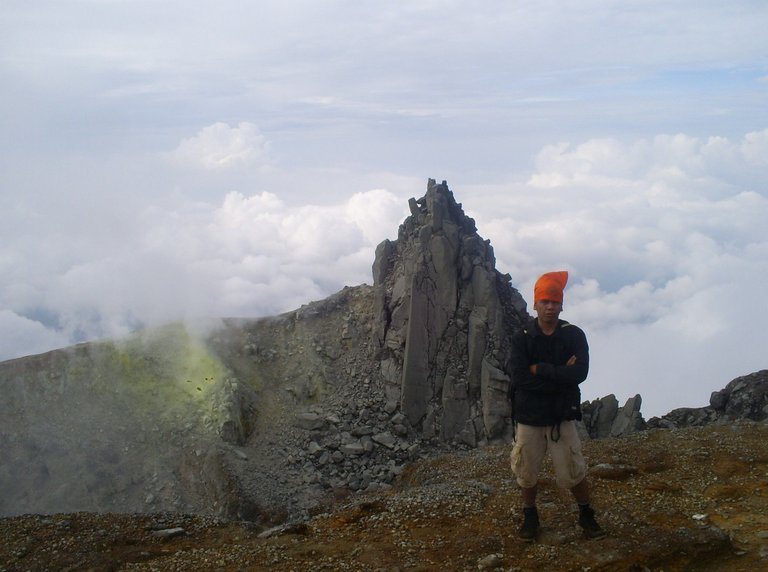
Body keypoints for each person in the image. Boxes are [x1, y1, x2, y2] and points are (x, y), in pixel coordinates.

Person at [508, 271, 605, 541]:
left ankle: (586, 514)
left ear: (562, 305)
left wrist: (541, 369)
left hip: (561, 416)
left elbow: (581, 373)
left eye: (555, 302)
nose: (550, 307)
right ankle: (530, 516)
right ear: (535, 304)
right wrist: (561, 376)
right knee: (526, 472)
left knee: (573, 471)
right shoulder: (523, 337)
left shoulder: (573, 335)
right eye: (545, 301)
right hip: (530, 417)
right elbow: (520, 378)